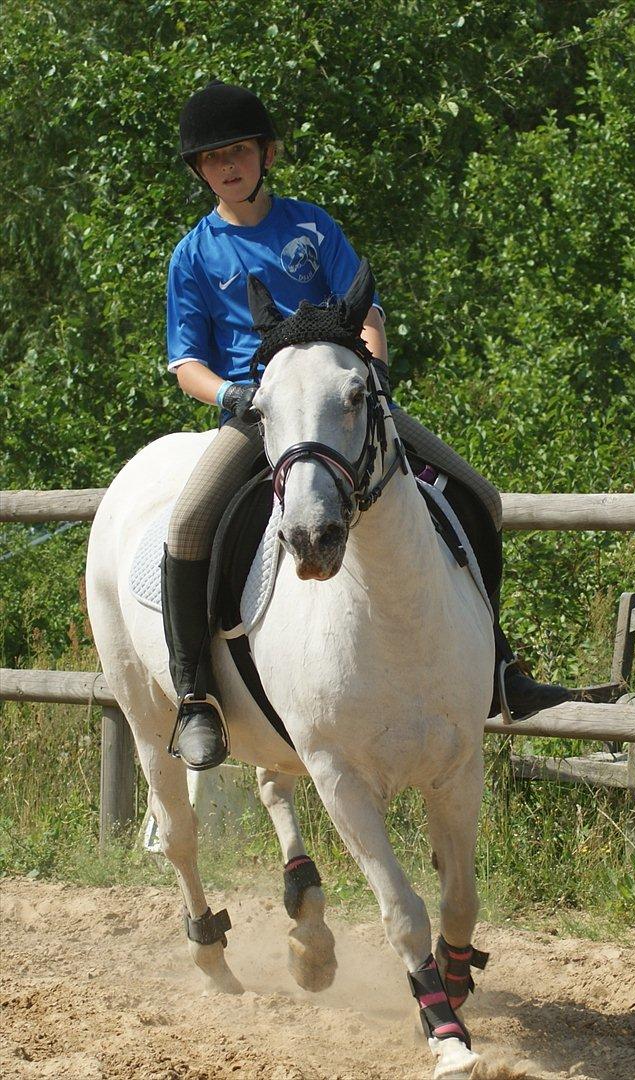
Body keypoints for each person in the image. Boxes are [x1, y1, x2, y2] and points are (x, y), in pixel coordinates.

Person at [163, 80, 581, 771]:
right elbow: (185, 363)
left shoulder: (312, 226)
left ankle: (501, 664)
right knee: (186, 526)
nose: (226, 167)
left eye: (237, 152)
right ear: (199, 171)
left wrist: (374, 377)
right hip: (263, 411)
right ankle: (195, 696)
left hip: (345, 401)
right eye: (211, 159)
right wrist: (234, 395)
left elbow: (367, 314)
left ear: (266, 154)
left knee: (477, 493)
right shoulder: (194, 254)